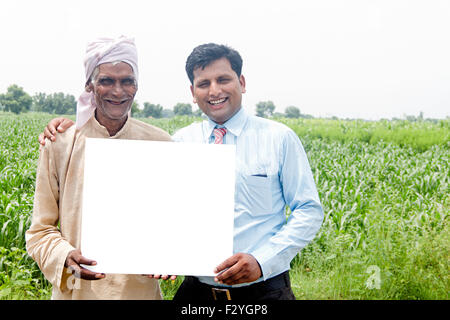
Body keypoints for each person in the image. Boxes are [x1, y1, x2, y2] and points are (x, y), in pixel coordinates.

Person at [39, 43, 324, 301]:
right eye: (204, 83)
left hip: (265, 291)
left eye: (223, 79)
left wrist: (262, 261)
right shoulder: (177, 143)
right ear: (192, 92)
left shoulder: (279, 138)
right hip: (196, 294)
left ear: (242, 82)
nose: (214, 91)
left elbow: (309, 210)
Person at [26, 35, 172, 300]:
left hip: (138, 293)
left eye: (127, 81)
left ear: (136, 86)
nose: (118, 91)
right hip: (77, 293)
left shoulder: (160, 142)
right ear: (89, 85)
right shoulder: (60, 144)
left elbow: (175, 224)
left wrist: (171, 253)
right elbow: (40, 231)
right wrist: (64, 256)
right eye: (107, 81)